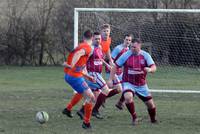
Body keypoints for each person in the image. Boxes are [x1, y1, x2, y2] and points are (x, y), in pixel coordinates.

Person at [108, 38, 157, 125]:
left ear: (139, 46)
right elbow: (115, 66)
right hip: (128, 82)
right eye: (131, 47)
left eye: (134, 47)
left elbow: (154, 68)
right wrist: (110, 79)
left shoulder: (145, 55)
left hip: (141, 84)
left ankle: (153, 120)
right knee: (127, 97)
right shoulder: (126, 55)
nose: (132, 49)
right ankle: (134, 118)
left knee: (150, 105)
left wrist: (149, 69)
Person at [62, 30, 95, 129]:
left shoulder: (80, 45)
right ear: (92, 38)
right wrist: (71, 65)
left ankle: (68, 109)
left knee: (82, 92)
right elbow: (78, 55)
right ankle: (86, 123)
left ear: (84, 37)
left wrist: (88, 76)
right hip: (74, 77)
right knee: (91, 98)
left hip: (71, 75)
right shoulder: (87, 48)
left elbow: (80, 65)